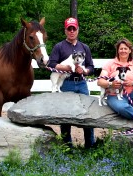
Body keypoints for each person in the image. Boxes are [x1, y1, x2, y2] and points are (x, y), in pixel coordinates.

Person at [48, 17, 96, 148]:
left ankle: (90, 145)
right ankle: (67, 146)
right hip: (66, 83)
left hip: (81, 83)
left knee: (87, 113)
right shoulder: (59, 46)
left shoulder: (84, 47)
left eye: (74, 28)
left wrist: (84, 71)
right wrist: (64, 68)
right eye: (69, 29)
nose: (71, 31)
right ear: (65, 31)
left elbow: (91, 67)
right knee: (65, 114)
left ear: (78, 30)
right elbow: (51, 64)